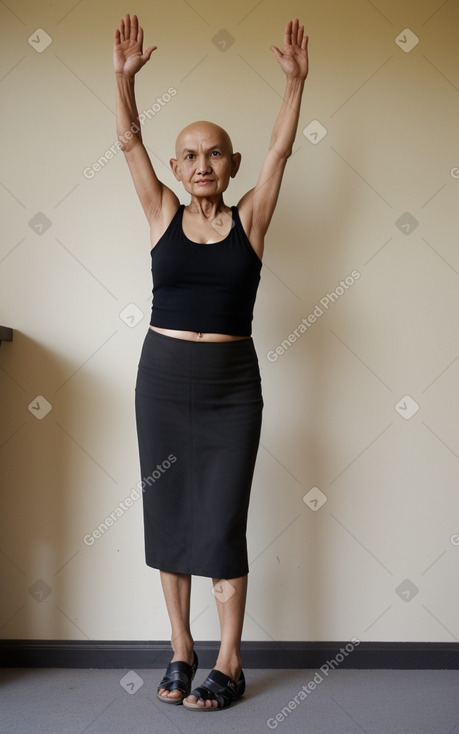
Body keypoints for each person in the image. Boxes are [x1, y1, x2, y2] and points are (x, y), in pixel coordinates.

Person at [113, 13, 309, 711]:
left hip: (231, 388)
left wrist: (294, 85)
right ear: (176, 167)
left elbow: (281, 154)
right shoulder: (161, 211)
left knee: (220, 522)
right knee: (168, 516)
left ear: (230, 163)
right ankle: (180, 649)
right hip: (161, 382)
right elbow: (128, 140)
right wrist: (124, 80)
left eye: (216, 153)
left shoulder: (250, 220)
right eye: (190, 154)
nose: (202, 163)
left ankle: (228, 658)